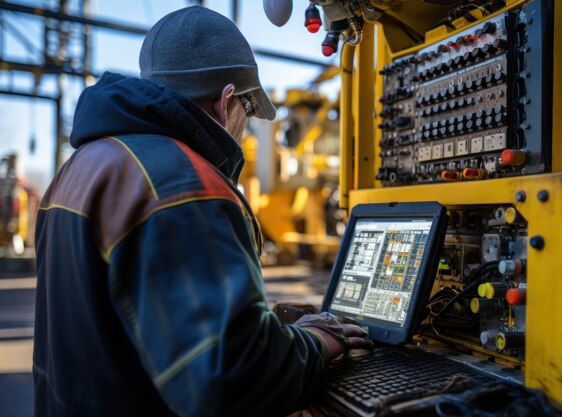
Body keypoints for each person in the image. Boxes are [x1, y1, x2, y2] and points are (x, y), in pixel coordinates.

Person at [33, 6, 372, 417]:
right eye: (248, 111)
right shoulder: (182, 183)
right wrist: (315, 340)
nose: (245, 131)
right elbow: (233, 381)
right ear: (227, 101)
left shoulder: (83, 166)